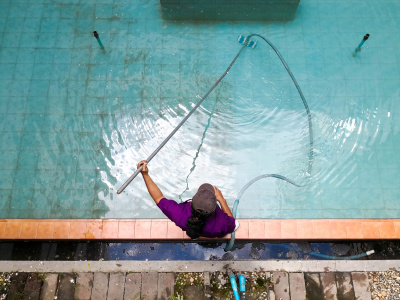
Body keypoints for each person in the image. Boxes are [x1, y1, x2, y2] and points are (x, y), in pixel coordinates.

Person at [137, 160, 237, 239]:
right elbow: (233, 225)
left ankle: (194, 236)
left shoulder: (179, 214)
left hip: (192, 228)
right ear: (214, 209)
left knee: (192, 231)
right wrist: (222, 200)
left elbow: (158, 197)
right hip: (213, 233)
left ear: (191, 203)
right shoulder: (222, 224)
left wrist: (145, 175)